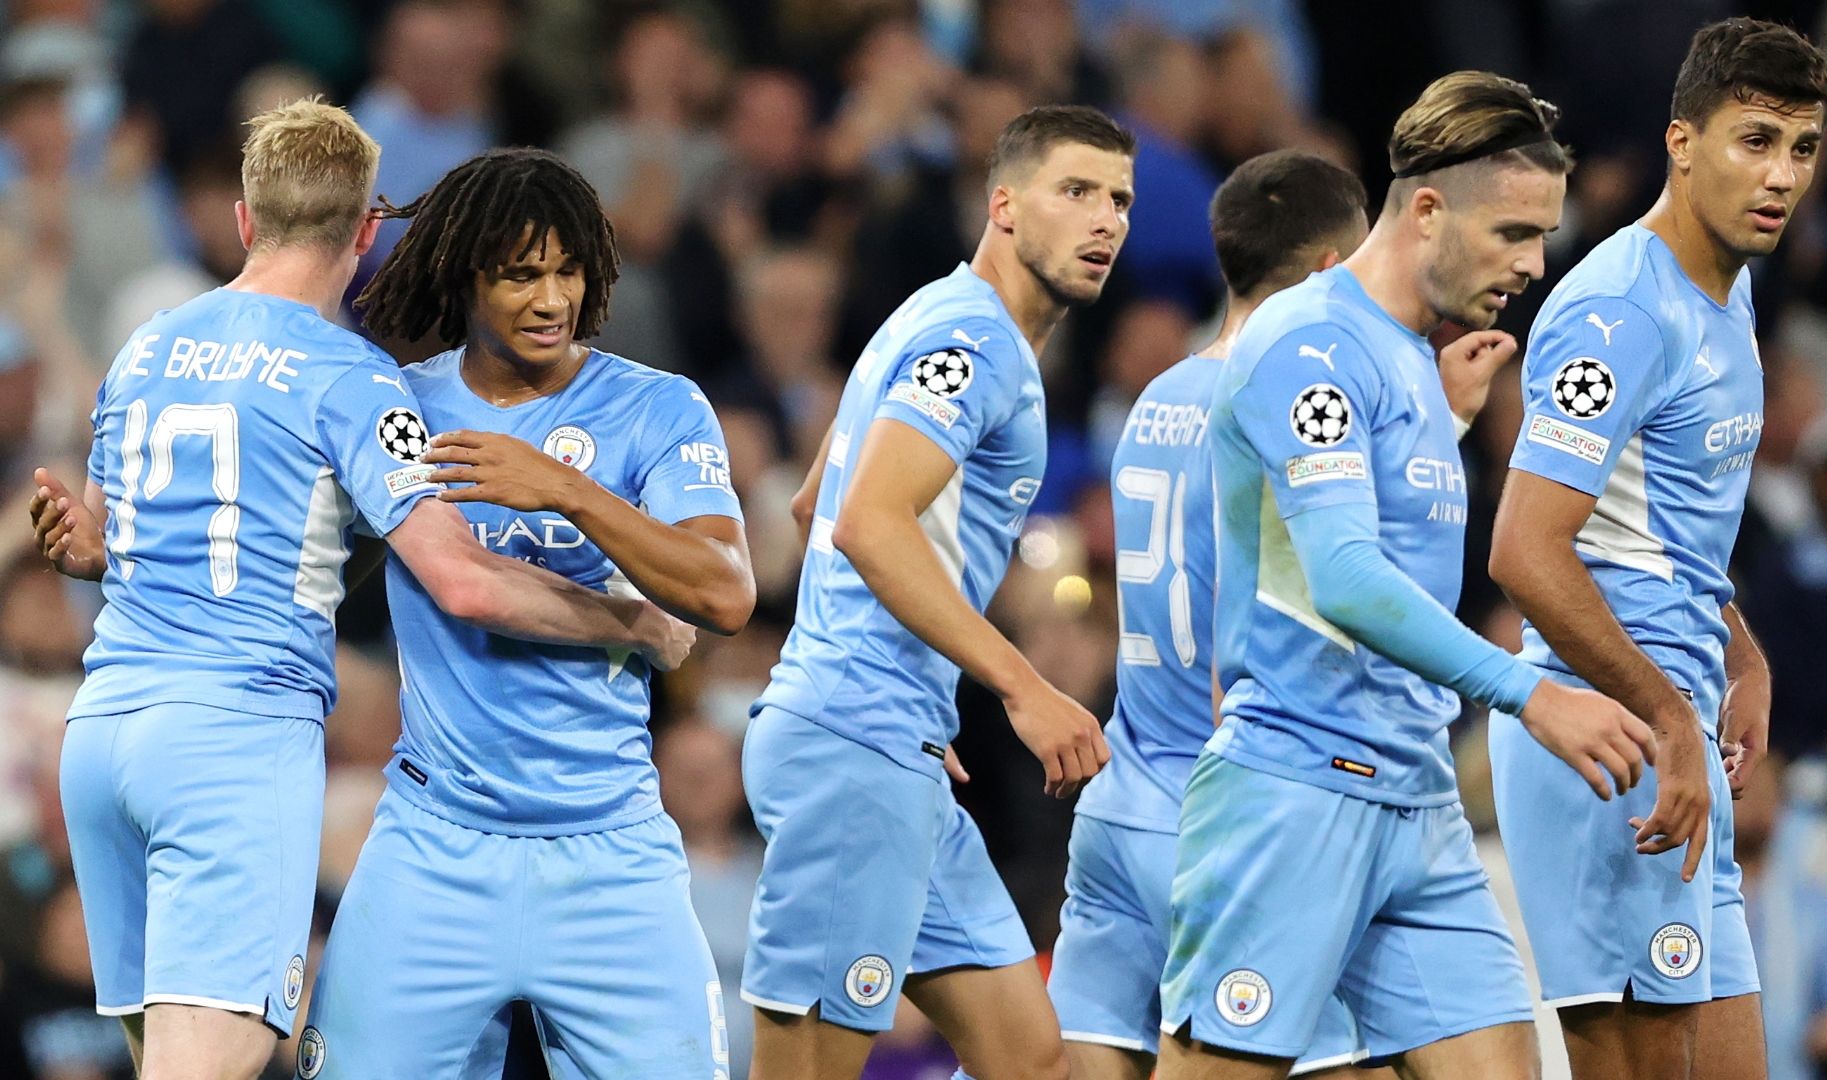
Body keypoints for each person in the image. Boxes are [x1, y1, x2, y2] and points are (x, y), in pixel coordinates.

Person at [24, 100, 683, 1080]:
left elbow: (112, 544)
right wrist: (629, 623)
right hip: (229, 744)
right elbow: (461, 580)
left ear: (247, 220)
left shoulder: (147, 345)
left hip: (107, 735)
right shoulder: (355, 379)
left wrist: (83, 554)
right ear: (368, 229)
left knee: (168, 1058)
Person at [1156, 72, 1656, 1080]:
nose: (1533, 262)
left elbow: (1357, 542)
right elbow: (1340, 576)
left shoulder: (1405, 361)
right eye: (1513, 232)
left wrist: (1451, 418)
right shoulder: (1309, 341)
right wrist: (1530, 695)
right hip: (1297, 790)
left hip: (1414, 797)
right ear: (1426, 209)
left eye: (1542, 235)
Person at [1050, 148, 1527, 1080]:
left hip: (1126, 794)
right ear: (1323, 273)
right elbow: (1326, 575)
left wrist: (1433, 421)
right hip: (1241, 812)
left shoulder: (1158, 399)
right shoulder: (1283, 392)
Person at [295, 147, 755, 1079]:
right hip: (433, 849)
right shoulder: (402, 410)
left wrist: (567, 490)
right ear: (464, 276)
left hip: (611, 853)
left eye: (568, 271)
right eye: (521, 275)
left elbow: (723, 591)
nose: (553, 300)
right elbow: (294, 556)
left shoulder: (656, 408)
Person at [741, 104, 1131, 1080]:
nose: (1106, 221)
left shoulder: (930, 315)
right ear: (1003, 205)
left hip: (886, 734)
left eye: (1120, 200)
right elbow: (866, 520)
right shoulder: (980, 341)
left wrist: (910, 672)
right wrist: (1021, 685)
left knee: (1029, 1058)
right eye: (1075, 191)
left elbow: (811, 499)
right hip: (852, 743)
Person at [1486, 18, 1827, 1079]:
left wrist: (1740, 649)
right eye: (1755, 140)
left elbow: (1653, 527)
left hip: (1674, 733)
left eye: (1804, 148)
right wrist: (1664, 721)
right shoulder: (1618, 312)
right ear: (1682, 141)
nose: (1781, 175)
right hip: (1613, 753)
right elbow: (1523, 549)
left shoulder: (1727, 289)